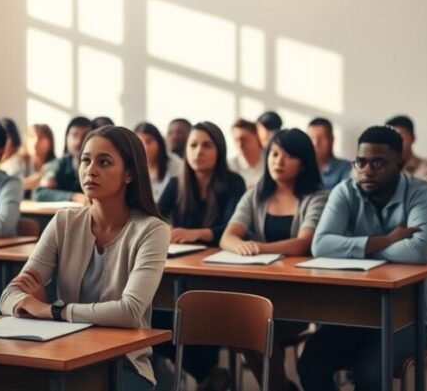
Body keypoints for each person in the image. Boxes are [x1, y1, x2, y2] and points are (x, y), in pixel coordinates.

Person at [0, 126, 169, 391]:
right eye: (86, 160)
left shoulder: (152, 230)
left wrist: (50, 310)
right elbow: (9, 295)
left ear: (129, 174)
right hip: (64, 354)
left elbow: (128, 312)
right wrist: (29, 304)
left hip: (122, 366)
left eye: (104, 162)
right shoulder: (64, 222)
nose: (91, 170)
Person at [298, 125, 427, 391]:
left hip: (409, 316)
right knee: (310, 364)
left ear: (400, 164)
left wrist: (355, 249)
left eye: (378, 163)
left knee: (369, 375)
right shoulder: (345, 191)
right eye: (361, 162)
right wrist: (387, 241)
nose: (367, 170)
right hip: (354, 311)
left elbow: (418, 251)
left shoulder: (421, 192)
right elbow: (322, 245)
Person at [220, 128, 327, 390]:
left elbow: (304, 243)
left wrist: (259, 247)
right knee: (245, 327)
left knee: (258, 329)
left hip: (301, 295)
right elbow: (227, 237)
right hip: (261, 290)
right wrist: (240, 245)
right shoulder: (257, 194)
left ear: (303, 162)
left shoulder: (318, 196)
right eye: (274, 154)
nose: (278, 161)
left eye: (288, 156)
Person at [154, 121, 246, 389]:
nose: (198, 152)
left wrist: (198, 233)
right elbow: (154, 218)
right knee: (155, 318)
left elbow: (233, 228)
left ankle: (208, 374)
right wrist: (165, 230)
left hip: (221, 271)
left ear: (219, 150)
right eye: (193, 145)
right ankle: (208, 373)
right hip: (180, 268)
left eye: (207, 145)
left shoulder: (234, 182)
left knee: (200, 315)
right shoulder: (176, 183)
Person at [34, 116, 93, 202]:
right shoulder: (58, 165)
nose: (79, 141)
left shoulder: (98, 165)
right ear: (66, 138)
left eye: (85, 136)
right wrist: (73, 196)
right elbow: (39, 193)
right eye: (74, 135)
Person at [386, 115, 427, 187]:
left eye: (399, 137)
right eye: (390, 138)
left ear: (413, 138)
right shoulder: (381, 167)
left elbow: (421, 195)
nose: (394, 142)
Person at [134, 122, 181, 202]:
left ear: (159, 142)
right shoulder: (131, 167)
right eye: (140, 143)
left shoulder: (175, 165)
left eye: (149, 141)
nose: (145, 147)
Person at [307, 117, 352, 190]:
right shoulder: (302, 168)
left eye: (321, 138)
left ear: (331, 140)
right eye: (311, 138)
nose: (316, 143)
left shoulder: (345, 168)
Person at [228, 118, 265, 188]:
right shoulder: (230, 166)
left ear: (257, 137)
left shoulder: (271, 161)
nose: (240, 145)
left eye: (244, 139)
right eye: (236, 140)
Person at [22, 124, 56, 191]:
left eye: (41, 137)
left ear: (50, 142)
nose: (36, 141)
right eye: (31, 136)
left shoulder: (57, 164)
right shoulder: (20, 162)